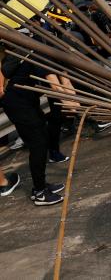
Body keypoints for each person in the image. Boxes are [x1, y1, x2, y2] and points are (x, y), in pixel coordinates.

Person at [0, 42, 71, 206]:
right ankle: (39, 193)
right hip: (18, 105)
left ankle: (42, 185)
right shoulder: (41, 58)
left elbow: (65, 82)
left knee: (43, 140)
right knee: (38, 145)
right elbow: (56, 87)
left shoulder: (43, 57)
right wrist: (73, 104)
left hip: (28, 103)